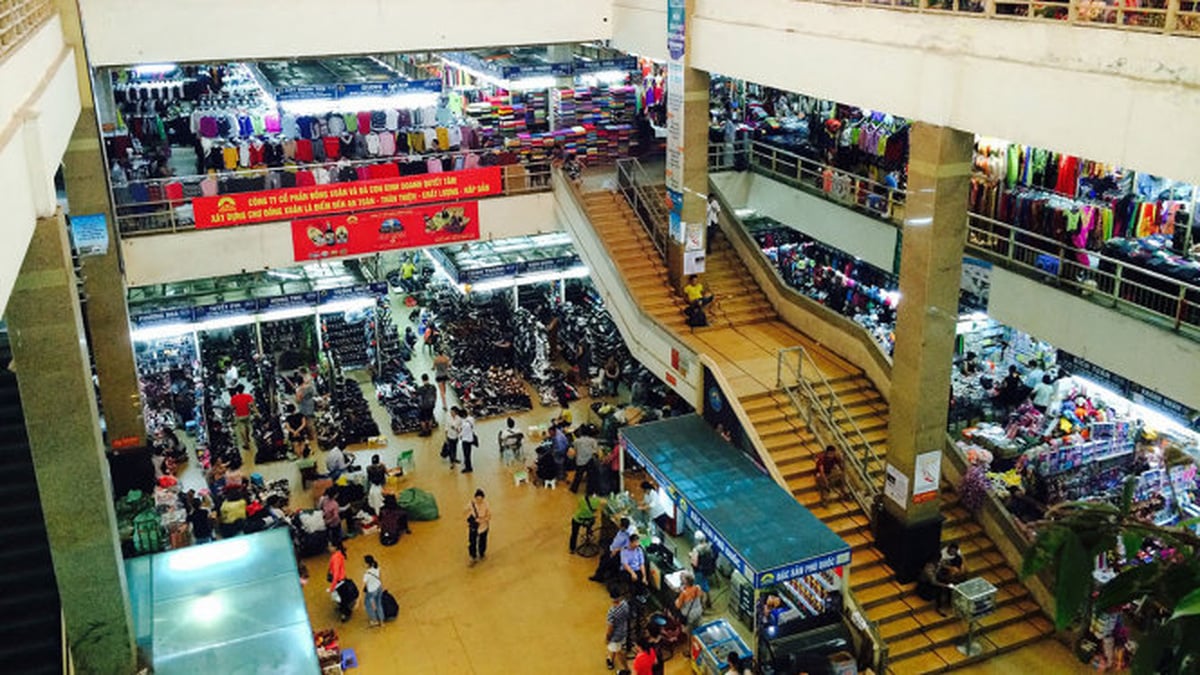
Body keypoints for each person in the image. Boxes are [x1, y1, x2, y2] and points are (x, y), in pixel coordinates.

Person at [591, 517, 635, 583]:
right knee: (603, 559)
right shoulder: (622, 530)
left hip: (616, 552)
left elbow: (627, 547)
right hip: (612, 548)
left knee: (604, 563)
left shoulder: (628, 535)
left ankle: (599, 577)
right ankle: (603, 575)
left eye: (620, 524)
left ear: (623, 527)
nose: (618, 525)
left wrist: (616, 550)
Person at [605, 585, 631, 673]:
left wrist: (607, 638)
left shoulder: (611, 612)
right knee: (616, 647)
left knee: (619, 651)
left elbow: (610, 628)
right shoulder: (625, 604)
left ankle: (627, 669)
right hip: (624, 630)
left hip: (616, 636)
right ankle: (610, 659)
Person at [690, 532, 717, 607]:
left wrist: (691, 556)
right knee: (705, 584)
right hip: (707, 570)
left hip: (699, 571)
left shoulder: (696, 550)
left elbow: (694, 563)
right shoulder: (708, 547)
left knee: (698, 587)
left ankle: (701, 604)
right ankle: (709, 601)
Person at [294, 368, 319, 446]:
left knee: (308, 424)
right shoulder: (310, 386)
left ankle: (313, 440)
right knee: (311, 422)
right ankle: (314, 438)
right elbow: (314, 393)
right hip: (310, 404)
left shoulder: (300, 389)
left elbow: (298, 400)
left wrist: (298, 393)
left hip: (304, 407)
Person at [570, 425, 599, 493]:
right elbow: (595, 451)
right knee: (591, 477)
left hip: (580, 461)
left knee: (578, 476)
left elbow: (575, 450)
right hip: (590, 461)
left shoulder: (577, 441)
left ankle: (574, 489)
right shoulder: (593, 441)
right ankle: (590, 491)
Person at [466, 489, 491, 565]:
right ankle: (473, 557)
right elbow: (465, 512)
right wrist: (470, 520)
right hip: (474, 527)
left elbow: (489, 516)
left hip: (484, 526)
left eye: (480, 499)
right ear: (475, 498)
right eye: (477, 499)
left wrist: (482, 520)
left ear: (483, 498)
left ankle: (481, 553)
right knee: (472, 542)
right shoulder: (471, 504)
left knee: (482, 541)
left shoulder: (486, 505)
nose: (479, 501)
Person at [229, 384, 256, 454]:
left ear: (237, 390)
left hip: (239, 416)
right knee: (247, 427)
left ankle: (246, 443)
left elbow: (232, 408)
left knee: (242, 429)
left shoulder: (234, 398)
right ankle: (248, 438)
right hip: (247, 415)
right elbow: (251, 405)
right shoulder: (248, 396)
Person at [362, 555, 384, 627]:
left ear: (367, 564)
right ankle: (381, 621)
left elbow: (362, 586)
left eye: (364, 563)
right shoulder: (377, 568)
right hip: (379, 588)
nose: (363, 564)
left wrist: (358, 600)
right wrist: (382, 587)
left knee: (368, 605)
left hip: (371, 591)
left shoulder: (367, 574)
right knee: (378, 604)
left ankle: (374, 621)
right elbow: (380, 578)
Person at [459, 407, 477, 474]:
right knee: (468, 453)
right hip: (471, 438)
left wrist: (459, 434)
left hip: (465, 440)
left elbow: (462, 433)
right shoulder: (471, 419)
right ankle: (468, 466)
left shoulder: (464, 424)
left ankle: (468, 467)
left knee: (466, 454)